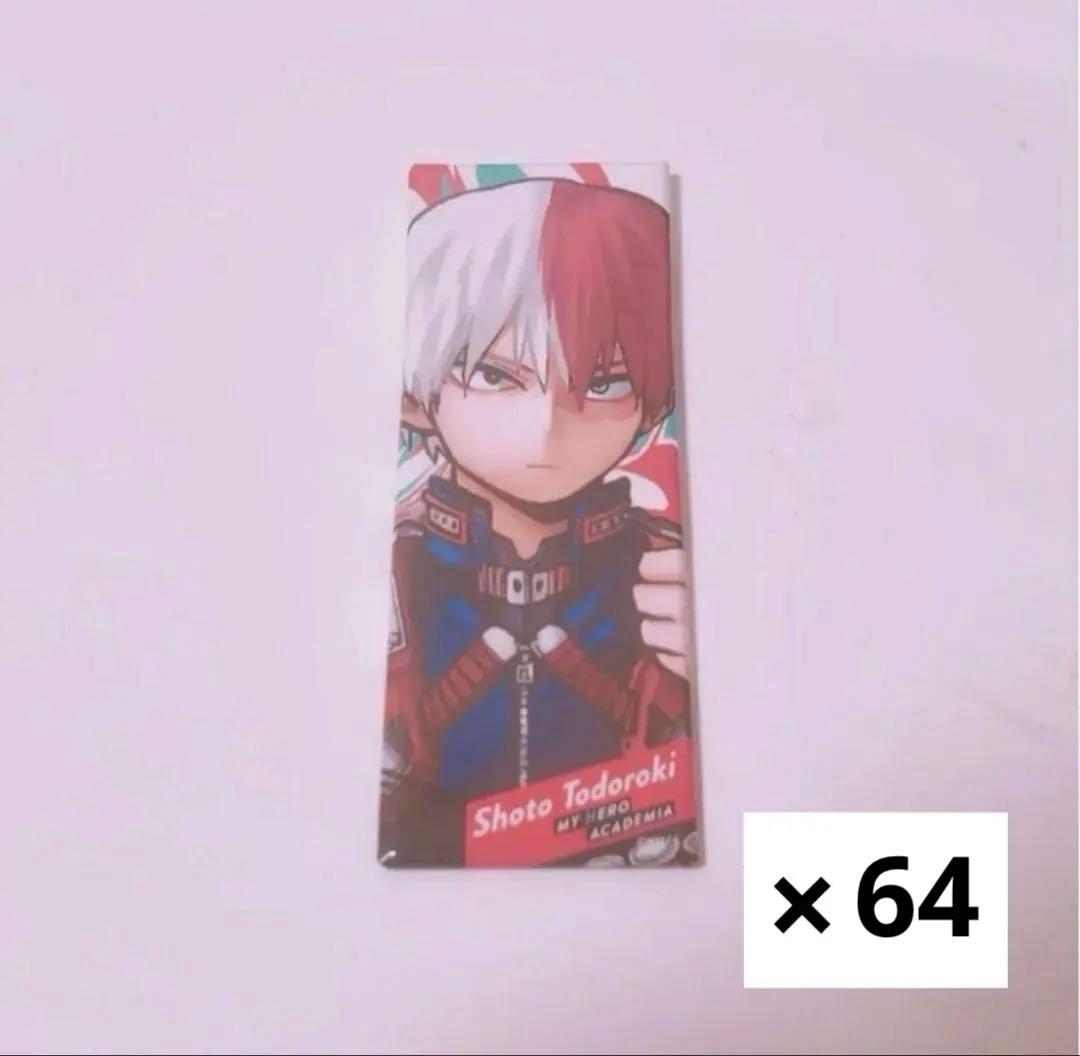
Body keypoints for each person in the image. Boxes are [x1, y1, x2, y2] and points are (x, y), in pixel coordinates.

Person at [380, 176, 692, 866]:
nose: (547, 426)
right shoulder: (393, 568)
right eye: (495, 377)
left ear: (654, 398)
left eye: (603, 383)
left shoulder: (669, 572)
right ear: (415, 396)